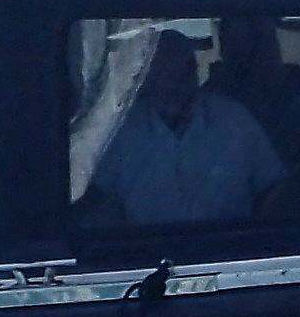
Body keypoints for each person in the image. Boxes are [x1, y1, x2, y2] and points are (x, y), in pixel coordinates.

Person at [78, 28, 285, 228]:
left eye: (185, 70)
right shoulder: (123, 130)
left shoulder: (234, 119)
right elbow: (94, 196)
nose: (177, 83)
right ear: (148, 77)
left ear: (195, 72)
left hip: (227, 252)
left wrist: (259, 237)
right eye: (166, 73)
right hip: (148, 255)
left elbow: (275, 186)